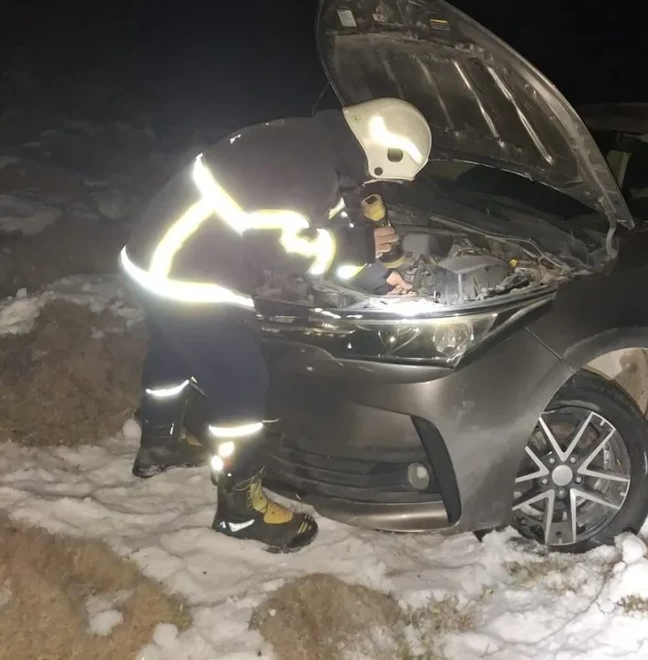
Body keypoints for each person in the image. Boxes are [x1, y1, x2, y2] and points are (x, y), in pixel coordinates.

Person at [118, 98, 432, 552]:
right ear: (384, 154)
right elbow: (281, 250)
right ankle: (241, 512)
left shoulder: (311, 147)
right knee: (242, 384)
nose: (376, 184)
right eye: (383, 176)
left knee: (172, 348)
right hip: (189, 273)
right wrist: (363, 246)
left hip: (154, 257)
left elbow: (323, 228)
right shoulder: (304, 169)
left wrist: (380, 278)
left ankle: (159, 442)